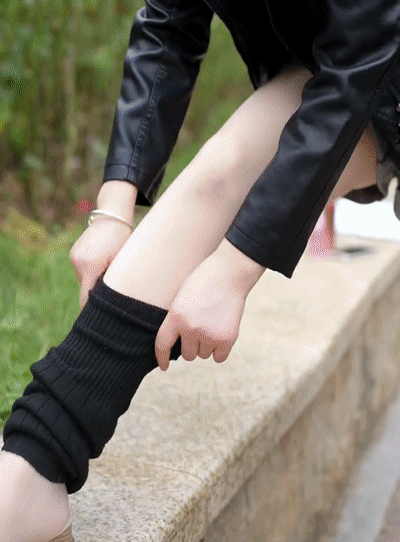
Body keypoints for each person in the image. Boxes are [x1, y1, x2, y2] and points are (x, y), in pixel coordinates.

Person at [1, 0, 400, 540]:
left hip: (371, 73)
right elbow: (169, 25)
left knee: (239, 160)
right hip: (338, 72)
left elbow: (362, 61)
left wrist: (232, 270)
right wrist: (113, 210)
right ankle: (32, 468)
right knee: (228, 164)